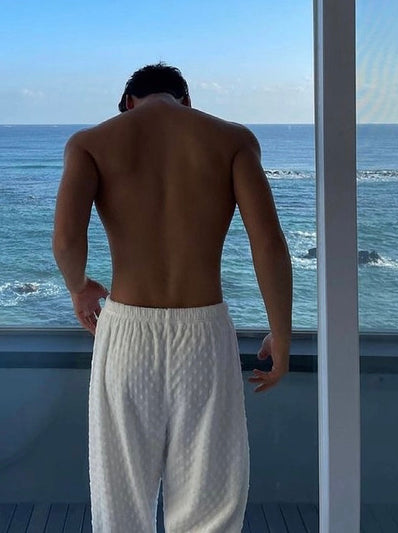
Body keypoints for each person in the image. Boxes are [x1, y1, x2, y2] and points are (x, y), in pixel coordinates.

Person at [53, 62, 292, 532]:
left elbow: (65, 243)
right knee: (210, 507)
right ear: (187, 100)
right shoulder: (233, 140)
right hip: (203, 334)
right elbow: (268, 245)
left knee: (120, 502)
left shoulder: (90, 143)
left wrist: (79, 288)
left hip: (127, 334)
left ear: (127, 103)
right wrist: (281, 336)